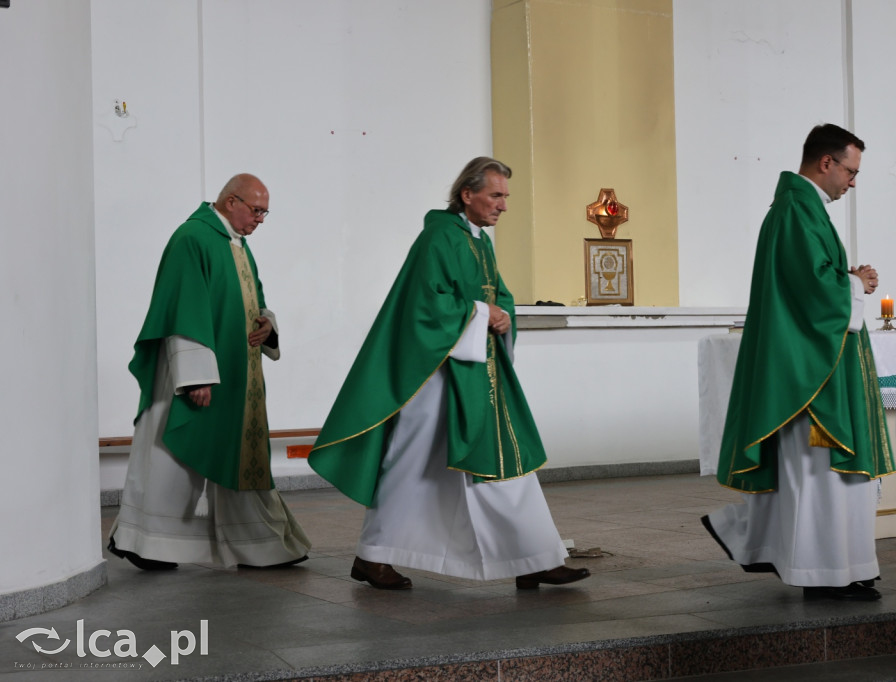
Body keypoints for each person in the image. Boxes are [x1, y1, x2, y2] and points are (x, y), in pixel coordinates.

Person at [308, 157, 589, 591]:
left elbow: (500, 295)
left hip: (477, 373)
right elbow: (425, 305)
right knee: (412, 465)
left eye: (505, 197)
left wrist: (502, 314)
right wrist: (483, 314)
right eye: (496, 195)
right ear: (467, 194)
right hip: (435, 376)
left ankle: (536, 557)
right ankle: (373, 556)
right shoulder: (439, 238)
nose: (503, 206)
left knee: (506, 461)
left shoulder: (479, 241)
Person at [700, 124, 896, 601]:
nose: (853, 182)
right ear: (825, 162)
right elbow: (812, 292)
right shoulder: (795, 211)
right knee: (818, 473)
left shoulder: (806, 210)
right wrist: (855, 284)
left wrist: (846, 278)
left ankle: (814, 558)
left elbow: (808, 279)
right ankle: (821, 570)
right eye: (850, 171)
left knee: (821, 475)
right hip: (811, 372)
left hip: (818, 362)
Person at [107, 173, 311, 570]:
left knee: (235, 454)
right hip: (193, 378)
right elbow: (184, 309)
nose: (260, 220)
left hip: (236, 375)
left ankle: (256, 541)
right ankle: (145, 542)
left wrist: (267, 324)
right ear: (231, 201)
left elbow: (254, 301)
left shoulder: (237, 245)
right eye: (256, 210)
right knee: (170, 459)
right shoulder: (193, 238)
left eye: (265, 212)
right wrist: (195, 374)